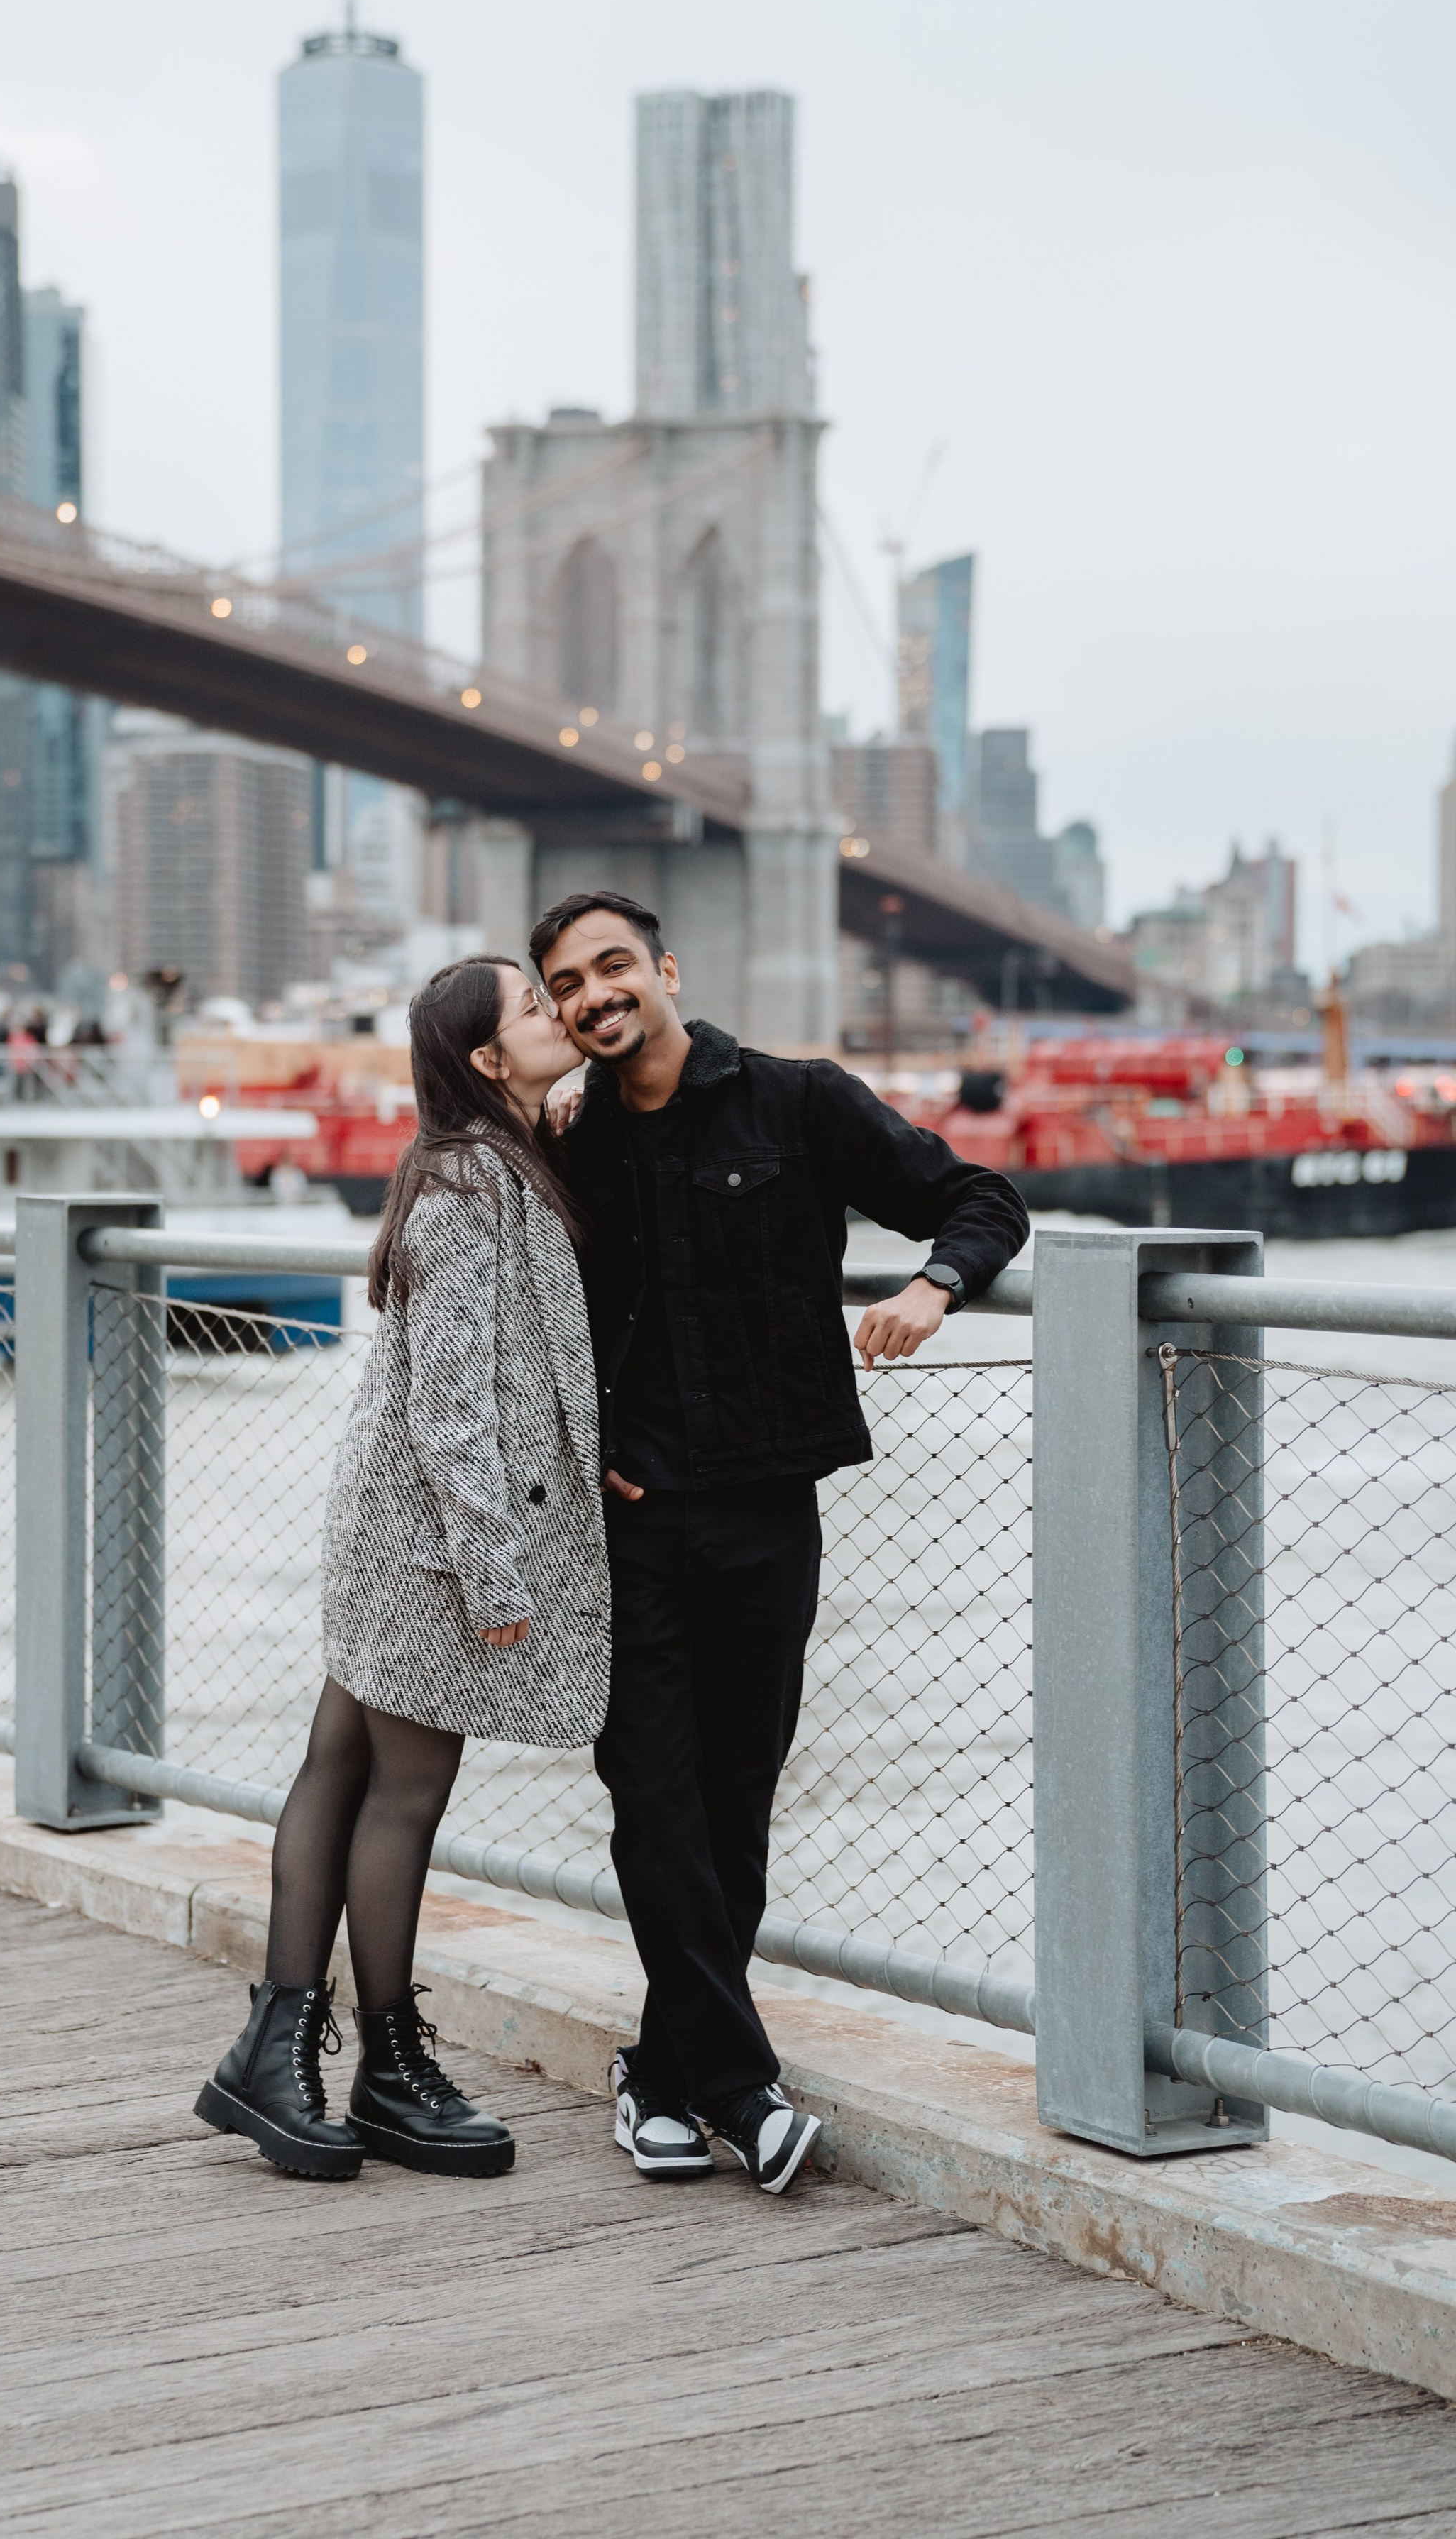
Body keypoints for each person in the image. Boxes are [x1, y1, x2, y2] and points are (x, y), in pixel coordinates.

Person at [531, 891, 1030, 2196]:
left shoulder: (799, 1103)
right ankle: (743, 2090)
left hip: (766, 1513)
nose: (594, 996)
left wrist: (933, 1285)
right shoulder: (572, 1148)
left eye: (613, 966)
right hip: (629, 1527)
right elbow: (524, 1341)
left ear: (665, 969)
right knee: (651, 1796)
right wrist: (579, 1458)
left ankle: (657, 2070)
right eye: (568, 984)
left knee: (736, 1803)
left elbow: (979, 1197)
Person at [194, 957, 609, 2183]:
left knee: (339, 1764)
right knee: (404, 1795)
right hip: (430, 1540)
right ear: (487, 1060)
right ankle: (386, 2064)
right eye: (534, 1007)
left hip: (390, 1524)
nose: (558, 1012)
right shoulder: (466, 1192)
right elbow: (450, 1411)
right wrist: (494, 1578)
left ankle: (273, 2056)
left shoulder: (488, 1158)